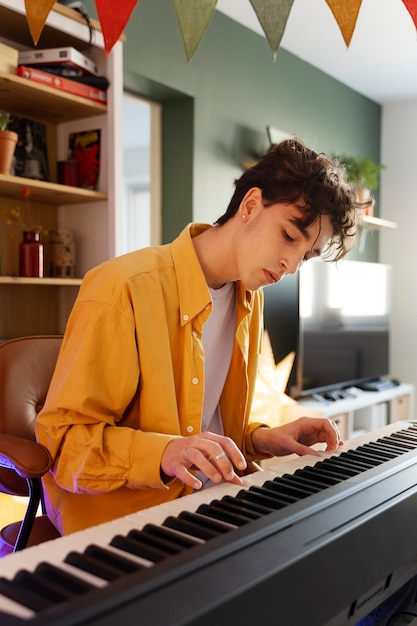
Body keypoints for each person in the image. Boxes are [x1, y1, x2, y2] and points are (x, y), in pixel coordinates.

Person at [36, 138, 367, 535]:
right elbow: (64, 448)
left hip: (216, 500)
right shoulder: (122, 287)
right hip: (127, 520)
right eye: (289, 237)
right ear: (249, 206)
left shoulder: (249, 298)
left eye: (306, 257)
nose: (292, 266)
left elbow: (204, 425)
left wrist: (261, 437)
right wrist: (165, 452)